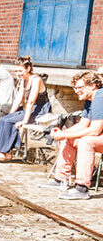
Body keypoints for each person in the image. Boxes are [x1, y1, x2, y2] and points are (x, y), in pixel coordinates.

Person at [44, 72, 103, 200]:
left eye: (80, 87)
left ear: (92, 85)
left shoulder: (100, 97)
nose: (76, 91)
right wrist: (63, 133)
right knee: (69, 138)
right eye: (75, 88)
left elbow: (95, 130)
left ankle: (82, 188)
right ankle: (61, 179)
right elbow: (83, 124)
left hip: (99, 135)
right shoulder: (90, 99)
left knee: (86, 142)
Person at [0, 56, 50, 162]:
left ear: (28, 69)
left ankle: (5, 152)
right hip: (30, 109)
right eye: (16, 71)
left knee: (10, 121)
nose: (18, 73)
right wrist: (11, 114)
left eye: (20, 71)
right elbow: (18, 99)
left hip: (40, 110)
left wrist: (24, 120)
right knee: (4, 119)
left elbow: (31, 101)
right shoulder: (24, 80)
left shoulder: (36, 80)